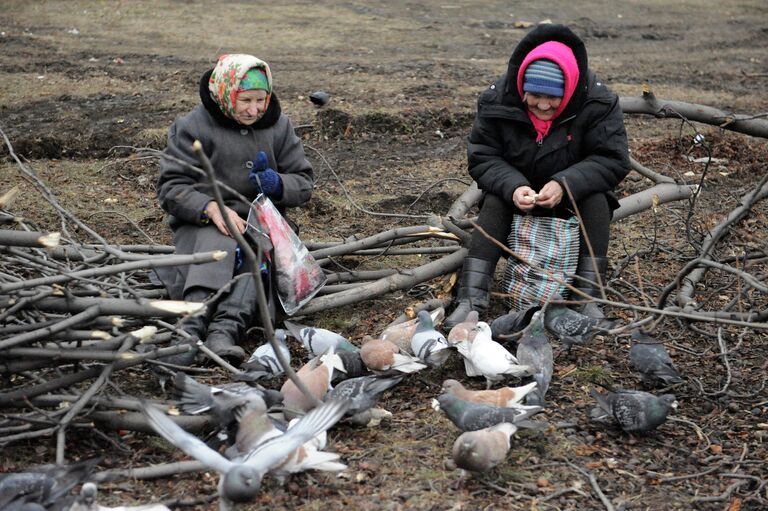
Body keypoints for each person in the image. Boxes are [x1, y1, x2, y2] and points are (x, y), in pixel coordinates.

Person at [444, 24, 630, 328]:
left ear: (569, 91)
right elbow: (482, 156)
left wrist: (564, 184)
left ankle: (588, 297)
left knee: (598, 200)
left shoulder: (598, 102)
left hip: (570, 198)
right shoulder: (497, 100)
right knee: (494, 202)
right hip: (520, 196)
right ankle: (471, 299)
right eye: (535, 96)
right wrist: (514, 187)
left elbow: (612, 159)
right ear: (522, 88)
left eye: (553, 97)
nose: (543, 105)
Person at [155, 53, 314, 365]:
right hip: (203, 223)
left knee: (257, 251)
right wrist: (211, 208)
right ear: (226, 93)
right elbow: (171, 188)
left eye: (261, 100)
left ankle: (225, 331)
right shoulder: (192, 127)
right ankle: (189, 329)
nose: (254, 110)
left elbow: (304, 182)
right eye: (246, 100)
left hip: (262, 223)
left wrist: (277, 184)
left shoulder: (278, 127)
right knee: (220, 247)